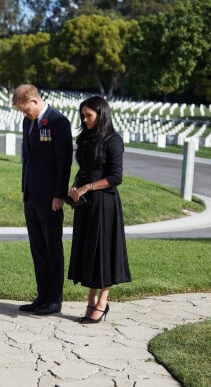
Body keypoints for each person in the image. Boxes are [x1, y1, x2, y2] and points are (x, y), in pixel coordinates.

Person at [68, 95, 131, 324]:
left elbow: (116, 177)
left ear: (101, 114)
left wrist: (88, 187)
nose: (85, 120)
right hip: (86, 204)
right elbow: (84, 168)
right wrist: (75, 185)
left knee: (103, 254)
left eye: (89, 116)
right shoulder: (86, 138)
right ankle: (91, 298)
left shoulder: (113, 140)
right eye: (83, 116)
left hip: (105, 204)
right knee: (89, 252)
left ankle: (102, 302)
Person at [12, 84, 73, 315]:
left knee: (52, 248)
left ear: (35, 101)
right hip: (31, 195)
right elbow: (27, 159)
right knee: (37, 248)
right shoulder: (28, 122)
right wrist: (24, 189)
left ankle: (54, 299)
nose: (25, 114)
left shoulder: (58, 122)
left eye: (26, 109)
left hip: (50, 198)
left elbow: (63, 161)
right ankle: (42, 295)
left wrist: (59, 194)